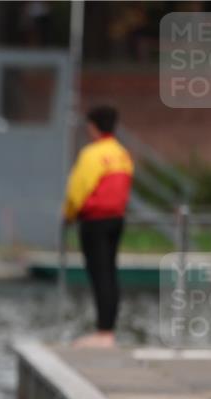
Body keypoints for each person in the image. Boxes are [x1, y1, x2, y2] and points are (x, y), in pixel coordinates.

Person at [63, 105, 134, 348]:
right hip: (116, 220)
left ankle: (103, 334)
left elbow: (76, 191)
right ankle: (108, 329)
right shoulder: (123, 154)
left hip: (94, 221)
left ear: (93, 127)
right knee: (110, 274)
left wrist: (68, 215)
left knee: (99, 274)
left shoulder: (91, 155)